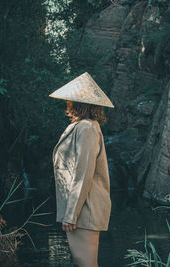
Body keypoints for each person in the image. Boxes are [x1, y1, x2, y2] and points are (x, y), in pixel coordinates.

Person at [49, 72, 114, 267]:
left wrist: (71, 214)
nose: (67, 103)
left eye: (70, 100)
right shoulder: (80, 126)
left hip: (85, 209)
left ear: (77, 103)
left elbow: (83, 172)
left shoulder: (87, 128)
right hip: (81, 209)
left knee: (86, 264)